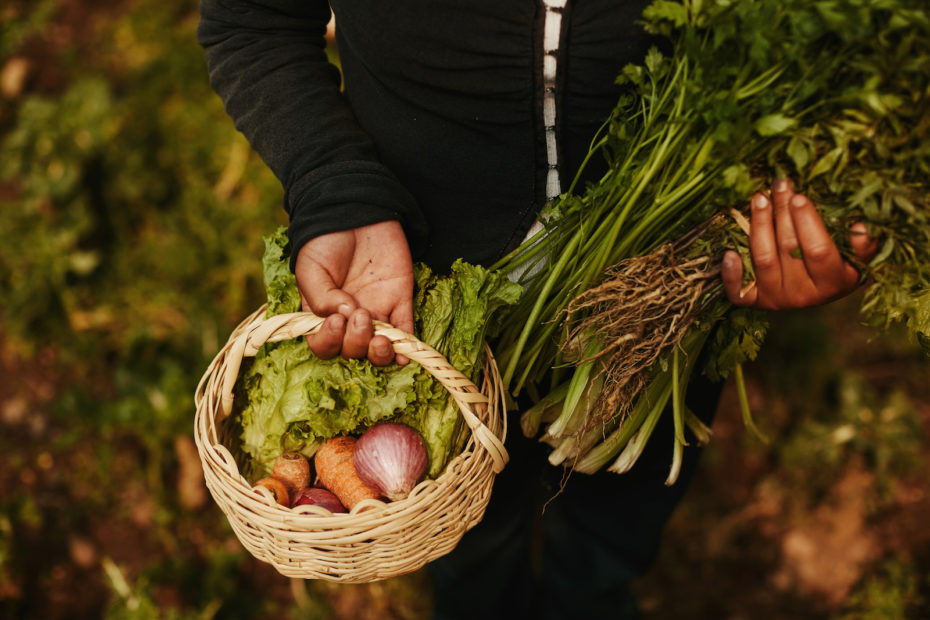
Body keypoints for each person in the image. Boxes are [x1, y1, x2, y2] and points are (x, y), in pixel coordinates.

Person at [197, 2, 877, 617]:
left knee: (623, 516)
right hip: (418, 301)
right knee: (467, 536)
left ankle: (593, 594)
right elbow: (254, 21)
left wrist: (797, 226)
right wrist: (337, 186)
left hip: (669, 305)